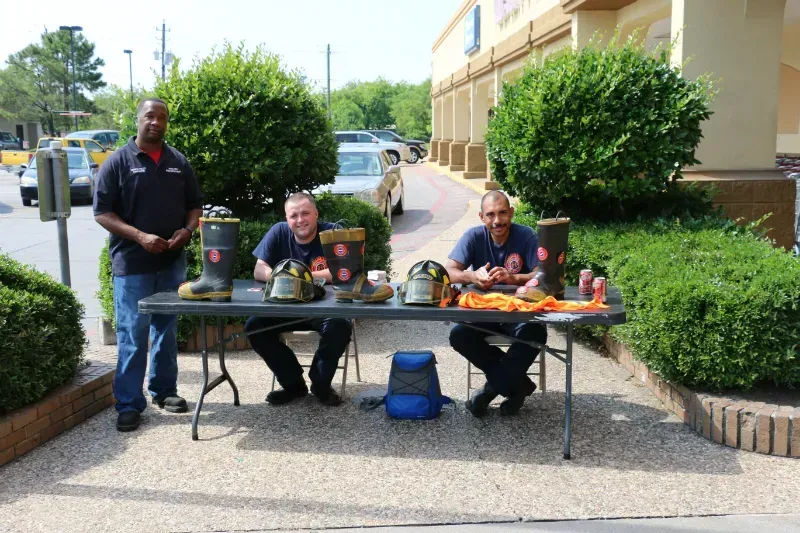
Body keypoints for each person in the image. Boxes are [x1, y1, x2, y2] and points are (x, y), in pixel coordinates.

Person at [93, 97, 204, 432]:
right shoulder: (117, 162)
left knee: (166, 328)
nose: (156, 122)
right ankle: (129, 403)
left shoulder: (178, 162)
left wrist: (187, 231)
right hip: (133, 262)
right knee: (133, 332)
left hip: (171, 261)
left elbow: (195, 206)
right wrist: (140, 236)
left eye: (162, 117)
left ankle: (164, 391)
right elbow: (102, 213)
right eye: (150, 116)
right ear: (138, 119)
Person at [446, 191, 547, 417]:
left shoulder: (527, 235)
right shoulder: (473, 236)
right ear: (482, 217)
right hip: (484, 312)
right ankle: (519, 385)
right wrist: (473, 277)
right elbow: (449, 271)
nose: (497, 221)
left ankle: (489, 391)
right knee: (458, 335)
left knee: (536, 332)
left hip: (519, 311)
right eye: (490, 215)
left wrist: (514, 278)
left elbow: (542, 273)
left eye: (503, 213)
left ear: (511, 213)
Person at [245, 193, 352, 407]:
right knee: (254, 327)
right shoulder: (278, 231)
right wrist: (283, 277)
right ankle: (293, 385)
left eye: (305, 213)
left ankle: (321, 384)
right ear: (287, 218)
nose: (300, 220)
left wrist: (299, 276)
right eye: (294, 215)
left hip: (323, 307)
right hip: (286, 306)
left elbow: (344, 272)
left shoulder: (333, 233)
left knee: (340, 326)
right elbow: (259, 269)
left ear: (316, 214)